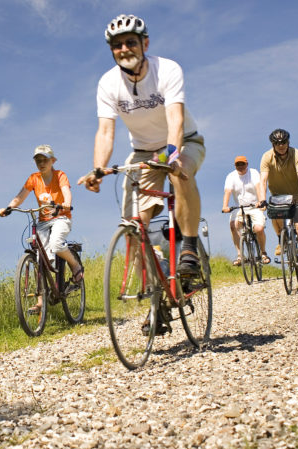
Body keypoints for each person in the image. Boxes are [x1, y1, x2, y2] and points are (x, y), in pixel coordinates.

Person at [77, 14, 206, 285]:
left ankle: (190, 250)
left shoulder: (167, 70)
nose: (124, 49)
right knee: (134, 226)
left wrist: (172, 156)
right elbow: (105, 131)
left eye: (130, 42)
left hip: (184, 142)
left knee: (179, 172)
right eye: (117, 45)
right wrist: (98, 169)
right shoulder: (108, 83)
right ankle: (155, 293)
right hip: (143, 152)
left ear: (145, 44)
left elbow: (175, 119)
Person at [0, 145, 83, 308]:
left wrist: (66, 203)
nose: (41, 163)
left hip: (61, 217)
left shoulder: (60, 175)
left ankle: (75, 265)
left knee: (57, 245)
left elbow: (66, 192)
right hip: (43, 221)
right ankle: (40, 301)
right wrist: (9, 207)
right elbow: (20, 196)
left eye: (45, 160)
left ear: (53, 161)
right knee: (41, 258)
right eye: (38, 160)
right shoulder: (33, 178)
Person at [256, 128, 298, 279]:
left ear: (288, 142)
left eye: (284, 142)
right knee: (273, 213)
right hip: (278, 196)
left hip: (296, 195)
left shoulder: (296, 154)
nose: (281, 145)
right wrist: (262, 199)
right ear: (273, 144)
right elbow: (263, 181)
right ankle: (281, 239)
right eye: (277, 143)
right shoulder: (267, 157)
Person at [221, 155, 269, 265]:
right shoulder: (231, 176)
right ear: (235, 166)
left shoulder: (253, 173)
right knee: (233, 225)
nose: (240, 166)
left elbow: (259, 187)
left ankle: (263, 253)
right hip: (239, 207)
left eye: (242, 164)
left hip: (254, 206)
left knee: (259, 228)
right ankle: (240, 255)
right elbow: (227, 192)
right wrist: (225, 206)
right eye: (238, 164)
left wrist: (261, 201)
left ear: (247, 164)